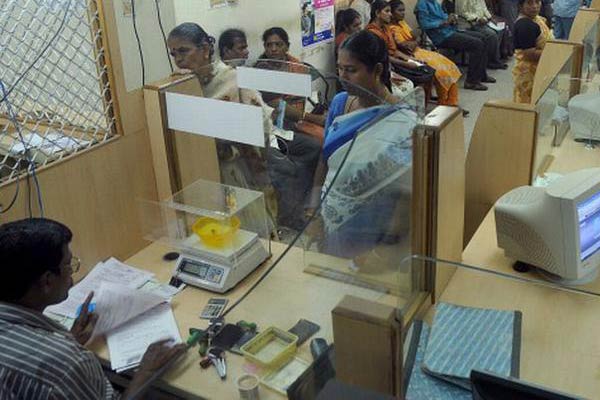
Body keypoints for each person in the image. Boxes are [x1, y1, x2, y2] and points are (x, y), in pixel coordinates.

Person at [0, 218, 186, 399]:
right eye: (68, 265)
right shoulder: (69, 364)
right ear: (47, 280)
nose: (72, 272)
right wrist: (146, 372)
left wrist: (70, 338)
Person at [311, 30, 415, 265]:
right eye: (340, 68)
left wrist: (384, 248)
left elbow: (406, 193)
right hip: (333, 216)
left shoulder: (403, 121)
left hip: (372, 227)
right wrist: (313, 209)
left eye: (351, 70)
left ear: (377, 70)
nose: (342, 77)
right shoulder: (340, 103)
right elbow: (325, 159)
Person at [389, 0, 464, 108]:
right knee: (441, 71)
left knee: (450, 65)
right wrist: (415, 40)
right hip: (412, 55)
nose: (403, 13)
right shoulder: (392, 29)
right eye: (400, 10)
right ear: (392, 13)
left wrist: (415, 40)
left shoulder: (402, 23)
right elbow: (407, 45)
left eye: (404, 10)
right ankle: (444, 103)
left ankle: (451, 101)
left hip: (420, 51)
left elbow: (415, 38)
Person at [417, 0, 497, 90]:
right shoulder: (422, 4)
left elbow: (443, 17)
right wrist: (443, 23)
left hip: (450, 31)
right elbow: (424, 24)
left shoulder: (434, 2)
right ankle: (471, 82)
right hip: (441, 37)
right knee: (477, 44)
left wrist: (450, 18)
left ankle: (481, 75)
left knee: (484, 38)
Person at [367, 0, 436, 100]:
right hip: (387, 65)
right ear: (377, 13)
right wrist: (406, 64)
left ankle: (422, 108)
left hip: (396, 60)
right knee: (422, 76)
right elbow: (386, 57)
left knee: (428, 70)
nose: (390, 14)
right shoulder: (372, 33)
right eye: (387, 11)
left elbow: (394, 51)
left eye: (390, 11)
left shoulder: (386, 28)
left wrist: (412, 60)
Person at [512, 0, 553, 103]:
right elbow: (529, 54)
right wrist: (555, 52)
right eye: (529, 3)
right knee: (529, 105)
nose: (534, 6)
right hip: (530, 75)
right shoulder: (525, 25)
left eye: (537, 2)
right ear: (521, 5)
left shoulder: (536, 19)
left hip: (540, 68)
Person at [454, 0, 508, 68]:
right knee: (492, 35)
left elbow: (483, 7)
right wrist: (477, 19)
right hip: (469, 24)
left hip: (481, 22)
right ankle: (492, 62)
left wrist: (489, 17)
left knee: (501, 28)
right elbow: (462, 13)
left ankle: (494, 57)